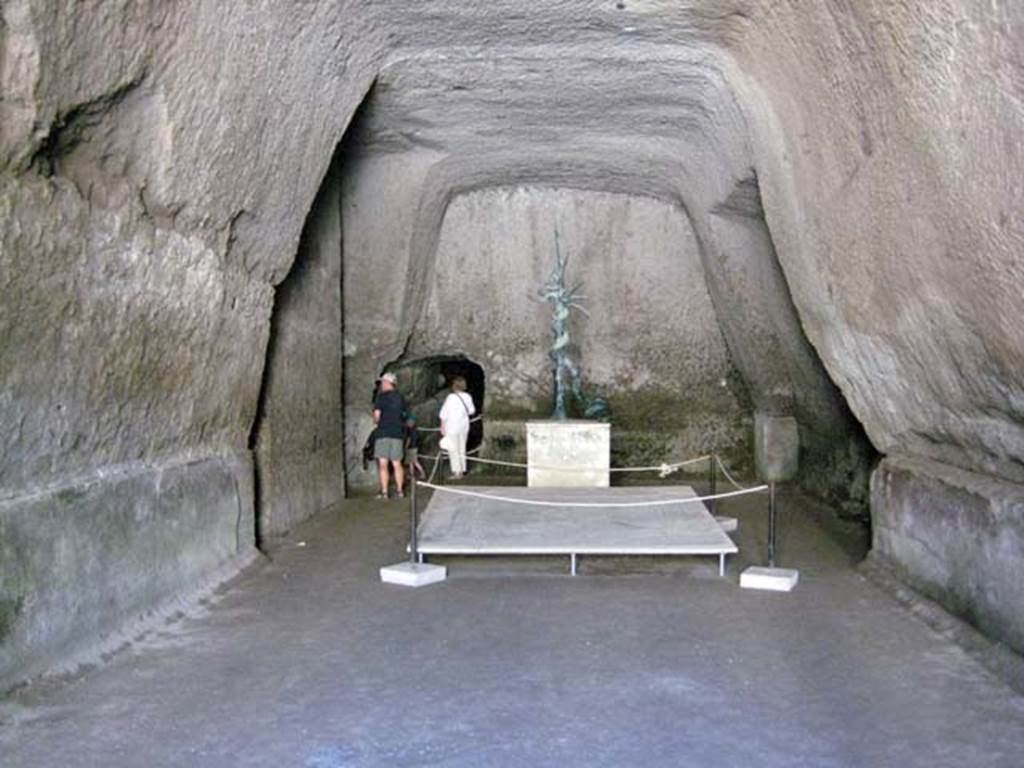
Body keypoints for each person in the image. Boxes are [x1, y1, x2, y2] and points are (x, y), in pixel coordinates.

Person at [372, 372, 406, 499]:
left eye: (382, 382)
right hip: (397, 433)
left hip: (383, 433)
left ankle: (385, 492)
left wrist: (375, 421)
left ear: (387, 383)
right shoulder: (400, 397)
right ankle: (400, 491)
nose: (381, 385)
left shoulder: (381, 397)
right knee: (397, 463)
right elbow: (403, 415)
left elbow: (377, 416)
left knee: (383, 464)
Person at [439, 375, 475, 478]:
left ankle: (456, 471)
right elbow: (472, 411)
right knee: (462, 448)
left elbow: (444, 413)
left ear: (454, 386)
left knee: (453, 449)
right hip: (463, 426)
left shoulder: (451, 397)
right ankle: (462, 469)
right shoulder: (468, 397)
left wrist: (442, 426)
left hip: (452, 427)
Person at [404, 415, 425, 482]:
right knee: (411, 462)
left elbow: (409, 439)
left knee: (415, 462)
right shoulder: (415, 430)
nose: (407, 423)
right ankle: (412, 475)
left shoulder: (409, 430)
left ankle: (422, 473)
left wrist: (406, 447)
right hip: (415, 447)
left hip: (411, 448)